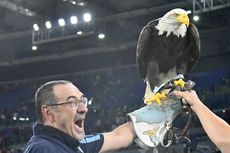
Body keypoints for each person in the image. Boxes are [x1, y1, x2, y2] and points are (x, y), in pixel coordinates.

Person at [24, 80, 136, 153]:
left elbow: (118, 136)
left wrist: (151, 113)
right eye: (72, 102)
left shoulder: (75, 145)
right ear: (49, 113)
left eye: (82, 101)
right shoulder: (43, 149)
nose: (84, 109)